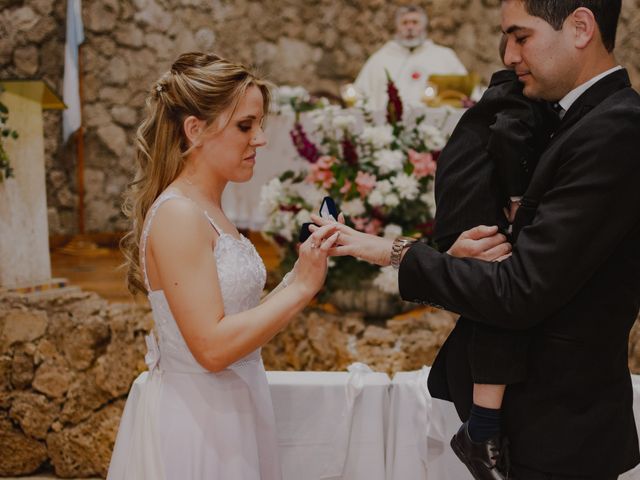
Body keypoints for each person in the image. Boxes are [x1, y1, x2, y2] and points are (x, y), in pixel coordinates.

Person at [311, 1, 640, 478]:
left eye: (521, 36)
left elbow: (519, 290)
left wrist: (392, 251)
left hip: (562, 431)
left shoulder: (616, 129)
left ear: (581, 27)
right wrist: (464, 255)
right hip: (538, 425)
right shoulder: (567, 116)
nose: (508, 54)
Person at [107, 52, 339, 480]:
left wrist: (303, 270)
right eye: (245, 125)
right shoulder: (179, 215)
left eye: (259, 124)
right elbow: (212, 348)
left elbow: (233, 316)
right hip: (198, 422)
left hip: (233, 409)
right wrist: (301, 289)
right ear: (195, 130)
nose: (261, 139)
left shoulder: (209, 206)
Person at [433, 34, 558, 479]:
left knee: (498, 296)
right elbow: (510, 137)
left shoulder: (497, 97)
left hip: (461, 202)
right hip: (476, 210)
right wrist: (518, 198)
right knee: (502, 288)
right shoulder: (526, 97)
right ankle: (481, 428)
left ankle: (481, 424)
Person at [354, 5, 467, 111]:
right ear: (397, 28)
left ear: (424, 27)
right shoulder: (380, 59)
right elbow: (359, 95)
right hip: (390, 129)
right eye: (405, 23)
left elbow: (466, 93)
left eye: (415, 22)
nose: (410, 27)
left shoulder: (444, 56)